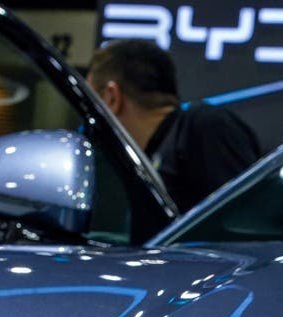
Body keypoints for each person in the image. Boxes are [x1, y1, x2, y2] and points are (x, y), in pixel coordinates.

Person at [86, 39, 261, 213]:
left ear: (111, 97)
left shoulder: (205, 127)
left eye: (90, 102)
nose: (88, 119)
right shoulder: (142, 162)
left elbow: (245, 217)